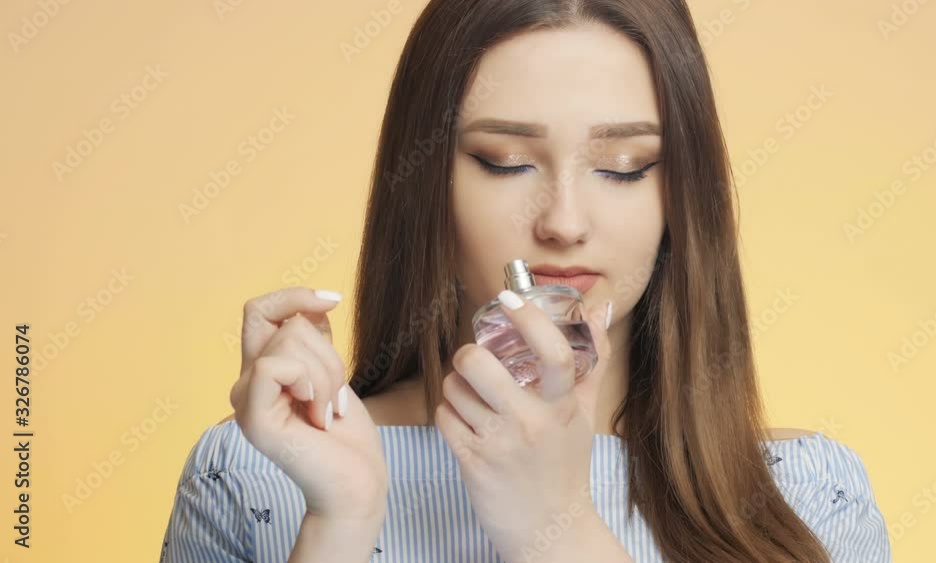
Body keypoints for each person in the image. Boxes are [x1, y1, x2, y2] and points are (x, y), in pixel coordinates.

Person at [160, 1, 892, 561]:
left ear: (681, 192)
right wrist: (340, 522)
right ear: (424, 182)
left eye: (625, 167)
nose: (564, 222)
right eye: (505, 161)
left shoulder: (808, 495)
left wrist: (559, 526)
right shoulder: (261, 471)